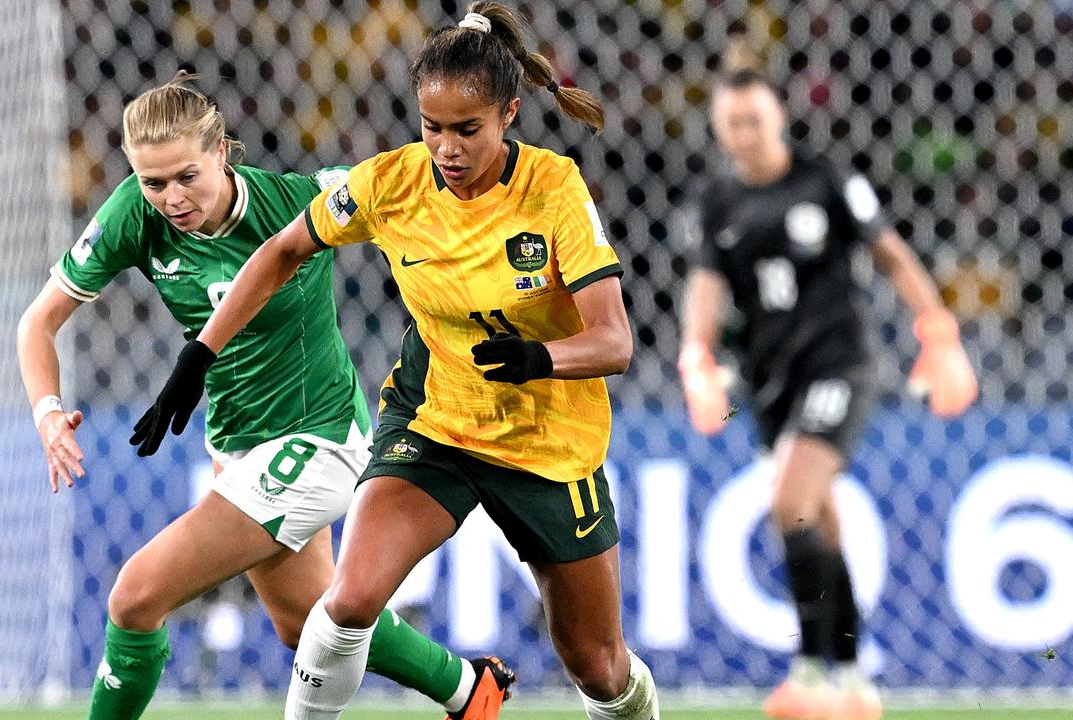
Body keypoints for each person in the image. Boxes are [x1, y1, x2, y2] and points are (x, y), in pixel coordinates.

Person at [131, 5, 660, 720]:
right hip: (436, 426)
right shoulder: (389, 183)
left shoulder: (553, 188)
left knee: (597, 667)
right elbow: (284, 249)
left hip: (549, 445)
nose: (446, 147)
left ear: (508, 114)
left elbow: (615, 341)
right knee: (347, 601)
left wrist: (540, 357)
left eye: (466, 129)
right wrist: (200, 353)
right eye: (431, 127)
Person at [17, 72, 515, 720]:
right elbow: (38, 322)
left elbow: (411, 181)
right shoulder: (133, 216)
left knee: (135, 597)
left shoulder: (299, 201)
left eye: (186, 176)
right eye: (152, 181)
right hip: (236, 445)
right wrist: (48, 414)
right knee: (304, 621)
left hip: (320, 441)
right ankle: (467, 691)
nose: (170, 197)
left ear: (221, 153)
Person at [678, 53, 978, 720]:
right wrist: (695, 356)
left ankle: (812, 673)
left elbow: (892, 254)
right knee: (821, 519)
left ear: (779, 116)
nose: (745, 133)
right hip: (769, 381)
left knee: (792, 503)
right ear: (719, 128)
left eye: (754, 119)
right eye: (732, 123)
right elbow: (705, 284)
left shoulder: (827, 181)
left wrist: (937, 331)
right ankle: (850, 680)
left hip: (839, 365)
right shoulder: (717, 202)